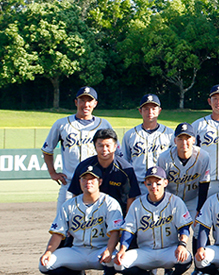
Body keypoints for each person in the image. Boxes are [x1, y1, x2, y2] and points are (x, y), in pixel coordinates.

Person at [38, 165, 123, 275]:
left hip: (100, 251)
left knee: (118, 262)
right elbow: (57, 233)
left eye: (92, 179)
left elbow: (115, 232)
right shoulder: (69, 205)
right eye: (84, 179)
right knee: (45, 265)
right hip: (77, 251)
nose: (88, 182)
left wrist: (109, 250)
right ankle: (74, 274)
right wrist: (48, 252)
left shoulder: (110, 203)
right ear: (79, 182)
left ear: (100, 182)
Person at [113, 167, 193, 275]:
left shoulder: (175, 202)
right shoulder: (137, 204)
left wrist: (182, 245)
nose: (153, 186)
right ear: (145, 184)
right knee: (119, 263)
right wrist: (122, 249)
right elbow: (128, 230)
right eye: (149, 183)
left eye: (158, 182)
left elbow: (184, 227)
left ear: (165, 183)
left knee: (186, 257)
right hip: (145, 252)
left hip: (169, 250)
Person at [41, 86, 113, 214]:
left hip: (96, 183)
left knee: (97, 221)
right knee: (64, 223)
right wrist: (52, 173)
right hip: (69, 182)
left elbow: (114, 153)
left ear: (95, 103)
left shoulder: (104, 124)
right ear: (76, 102)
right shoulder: (62, 124)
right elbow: (47, 150)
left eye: (89, 101)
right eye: (82, 100)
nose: (86, 104)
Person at [68, 128, 140, 213]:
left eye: (108, 145)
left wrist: (126, 222)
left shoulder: (126, 169)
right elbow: (75, 194)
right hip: (90, 217)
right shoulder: (84, 167)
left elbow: (131, 198)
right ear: (95, 146)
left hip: (117, 216)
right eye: (100, 145)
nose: (104, 149)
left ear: (115, 146)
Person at [121, 93, 174, 195]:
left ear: (159, 110)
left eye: (153, 108)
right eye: (146, 108)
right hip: (137, 184)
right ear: (140, 111)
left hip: (162, 185)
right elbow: (125, 162)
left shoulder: (170, 134)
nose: (150, 112)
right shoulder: (130, 135)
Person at [159, 123, 212, 220]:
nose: (184, 142)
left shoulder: (203, 157)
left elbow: (204, 184)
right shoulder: (164, 158)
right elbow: (161, 184)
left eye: (187, 138)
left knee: (196, 228)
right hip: (171, 198)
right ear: (175, 140)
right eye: (180, 139)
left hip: (193, 199)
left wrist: (200, 209)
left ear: (193, 140)